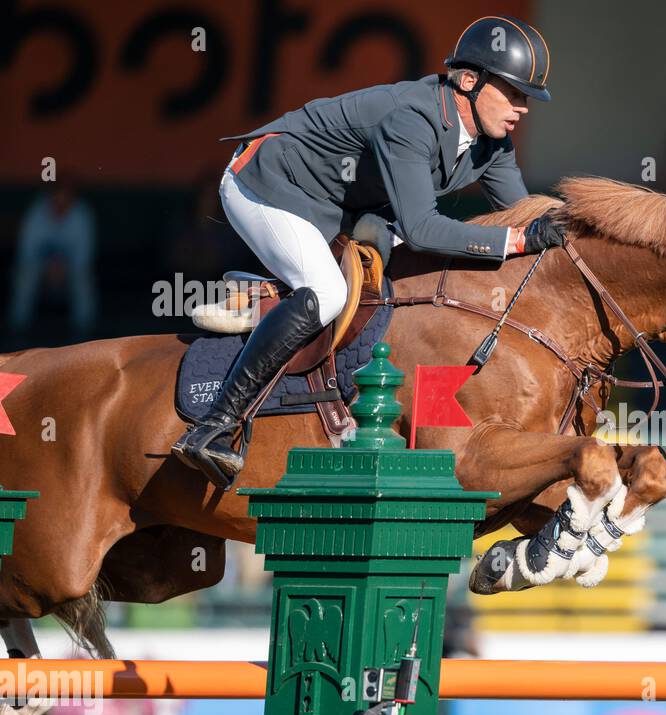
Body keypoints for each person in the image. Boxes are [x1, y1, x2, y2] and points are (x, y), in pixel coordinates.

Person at [172, 15, 566, 490]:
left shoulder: (493, 144)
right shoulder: (412, 117)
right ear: (468, 80)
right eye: (515, 93)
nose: (523, 108)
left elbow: (521, 215)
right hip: (267, 182)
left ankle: (267, 294)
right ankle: (214, 425)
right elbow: (424, 228)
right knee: (327, 291)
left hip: (340, 206)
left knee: (396, 266)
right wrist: (520, 239)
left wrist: (569, 226)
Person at [7, 180, 97, 340]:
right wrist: (48, 264)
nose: (61, 204)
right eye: (57, 198)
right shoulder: (36, 212)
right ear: (50, 198)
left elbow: (84, 256)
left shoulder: (82, 215)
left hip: (69, 267)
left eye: (66, 199)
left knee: (82, 278)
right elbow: (26, 251)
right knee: (25, 275)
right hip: (41, 265)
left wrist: (63, 266)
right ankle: (17, 332)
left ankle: (84, 334)